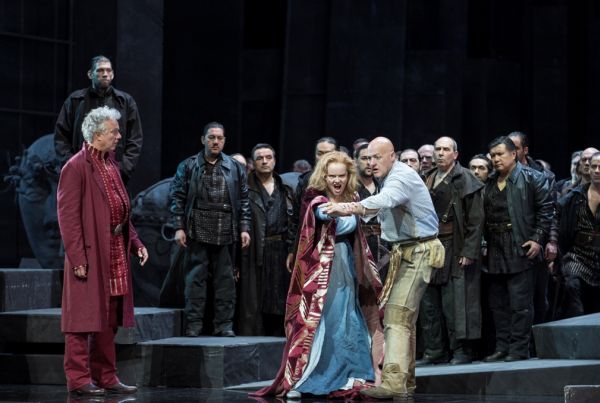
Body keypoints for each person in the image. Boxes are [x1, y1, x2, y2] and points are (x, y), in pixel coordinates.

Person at [253, 151, 383, 400]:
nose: (337, 180)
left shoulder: (353, 197)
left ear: (348, 176)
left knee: (346, 316)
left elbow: (356, 224)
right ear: (324, 176)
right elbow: (322, 214)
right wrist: (342, 210)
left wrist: (352, 208)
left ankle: (351, 371)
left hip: (345, 264)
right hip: (321, 269)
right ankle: (306, 376)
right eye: (332, 176)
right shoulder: (316, 198)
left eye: (341, 176)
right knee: (318, 319)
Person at [325, 137, 445, 399]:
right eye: (368, 158)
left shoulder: (401, 177)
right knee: (405, 320)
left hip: (419, 251)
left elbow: (385, 200)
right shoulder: (389, 175)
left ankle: (392, 382)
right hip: (407, 250)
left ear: (393, 156)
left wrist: (345, 208)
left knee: (396, 316)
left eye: (377, 157)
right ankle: (405, 382)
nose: (372, 162)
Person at [57, 106, 148, 396]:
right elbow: (68, 217)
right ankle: (78, 378)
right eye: (114, 132)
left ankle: (106, 375)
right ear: (97, 134)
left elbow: (121, 210)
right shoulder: (76, 167)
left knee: (109, 317)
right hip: (90, 252)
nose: (119, 136)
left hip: (114, 248)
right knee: (81, 317)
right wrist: (77, 258)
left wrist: (135, 243)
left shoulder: (111, 164)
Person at [169, 122, 251, 337]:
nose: (216, 141)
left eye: (219, 138)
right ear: (203, 139)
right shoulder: (188, 165)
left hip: (226, 228)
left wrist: (244, 227)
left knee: (225, 282)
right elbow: (177, 197)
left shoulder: (235, 167)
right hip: (197, 228)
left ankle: (224, 325)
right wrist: (179, 227)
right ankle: (194, 324)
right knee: (195, 280)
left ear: (224, 141)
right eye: (211, 137)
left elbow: (244, 200)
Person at [482, 136, 552, 362]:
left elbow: (546, 210)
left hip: (519, 245)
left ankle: (519, 348)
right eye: (492, 155)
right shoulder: (489, 182)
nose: (495, 159)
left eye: (500, 154)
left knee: (520, 303)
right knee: (498, 303)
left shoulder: (533, 178)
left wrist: (537, 239)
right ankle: (502, 347)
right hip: (495, 247)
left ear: (514, 154)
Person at [418, 137, 484, 366]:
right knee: (429, 302)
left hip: (455, 246)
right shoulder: (428, 177)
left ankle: (461, 351)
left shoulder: (466, 178)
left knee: (455, 302)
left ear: (455, 154)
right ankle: (435, 350)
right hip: (430, 246)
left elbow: (476, 220)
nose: (440, 153)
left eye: (446, 149)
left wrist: (469, 251)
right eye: (437, 149)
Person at [54, 55, 143, 184]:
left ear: (112, 74)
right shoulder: (75, 100)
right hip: (81, 173)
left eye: (108, 70)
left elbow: (135, 139)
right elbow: (61, 137)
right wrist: (72, 165)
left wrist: (123, 169)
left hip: (115, 173)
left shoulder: (125, 102)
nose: (105, 74)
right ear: (90, 74)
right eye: (100, 70)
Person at [238, 144, 294, 336]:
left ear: (274, 160)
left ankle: (279, 336)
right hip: (255, 248)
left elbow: (291, 222)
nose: (264, 161)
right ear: (253, 163)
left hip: (281, 249)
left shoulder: (285, 188)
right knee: (255, 297)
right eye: (260, 158)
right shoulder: (244, 188)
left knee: (279, 294)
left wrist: (291, 249)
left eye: (268, 157)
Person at [557, 151, 600, 317]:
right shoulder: (575, 195)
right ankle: (577, 323)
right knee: (572, 284)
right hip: (579, 255)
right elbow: (556, 216)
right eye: (594, 167)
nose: (596, 170)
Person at [287, 137, 338, 271]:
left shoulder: (346, 179)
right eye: (320, 153)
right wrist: (292, 249)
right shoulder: (306, 180)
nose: (323, 157)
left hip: (338, 244)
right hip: (308, 243)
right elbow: (296, 218)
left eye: (328, 153)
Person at [354, 143, 388, 265]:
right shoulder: (349, 188)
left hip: (383, 245)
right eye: (364, 158)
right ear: (355, 161)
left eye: (373, 158)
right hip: (357, 245)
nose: (369, 163)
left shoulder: (385, 186)